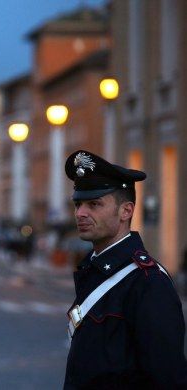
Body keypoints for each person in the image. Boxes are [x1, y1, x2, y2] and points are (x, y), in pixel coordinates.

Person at [63, 150, 187, 389]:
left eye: (94, 204)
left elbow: (168, 379)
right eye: (78, 204)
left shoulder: (148, 282)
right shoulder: (95, 268)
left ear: (126, 211)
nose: (80, 213)